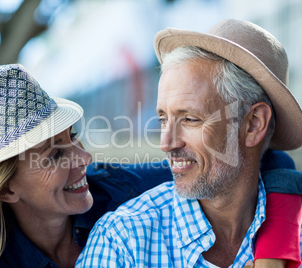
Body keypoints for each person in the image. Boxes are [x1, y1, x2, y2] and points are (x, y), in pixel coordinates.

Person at [0, 63, 299, 268]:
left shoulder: (116, 190)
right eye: (54, 156)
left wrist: (272, 254)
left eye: (74, 138)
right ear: (5, 189)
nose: (83, 159)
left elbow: (262, 160)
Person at [76, 19, 302, 268]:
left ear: (253, 124)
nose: (166, 143)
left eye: (190, 119)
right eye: (163, 118)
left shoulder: (294, 231)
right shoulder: (122, 242)